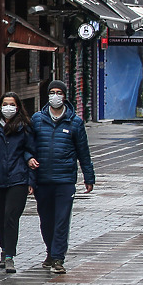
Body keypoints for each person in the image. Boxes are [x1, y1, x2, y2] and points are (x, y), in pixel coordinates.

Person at [28, 80, 95, 274]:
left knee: (61, 220)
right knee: (46, 220)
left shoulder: (74, 122)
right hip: (43, 180)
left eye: (59, 92)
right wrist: (29, 162)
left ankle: (58, 257)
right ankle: (50, 251)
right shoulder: (37, 120)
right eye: (52, 92)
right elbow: (28, 147)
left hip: (65, 180)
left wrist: (88, 177)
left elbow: (83, 151)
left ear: (65, 96)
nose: (55, 96)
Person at [0, 91, 35, 274]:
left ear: (17, 107)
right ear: (0, 107)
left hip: (17, 179)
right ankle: (4, 249)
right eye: (5, 104)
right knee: (0, 217)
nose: (8, 108)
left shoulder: (24, 127)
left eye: (12, 104)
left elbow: (30, 152)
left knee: (11, 217)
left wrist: (30, 179)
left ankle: (10, 255)